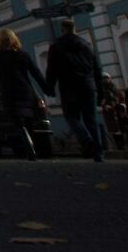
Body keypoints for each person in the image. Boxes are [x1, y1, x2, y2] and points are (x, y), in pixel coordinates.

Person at [43, 19, 106, 162]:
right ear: (74, 28)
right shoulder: (86, 45)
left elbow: (51, 70)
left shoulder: (56, 46)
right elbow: (96, 69)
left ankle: (85, 139)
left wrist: (50, 87)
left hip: (68, 87)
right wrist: (100, 91)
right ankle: (99, 153)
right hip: (88, 86)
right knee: (91, 120)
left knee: (72, 117)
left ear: (63, 29)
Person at [0, 28, 51, 160]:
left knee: (18, 122)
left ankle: (29, 146)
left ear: (0, 40)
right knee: (29, 121)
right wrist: (46, 89)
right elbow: (36, 73)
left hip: (9, 92)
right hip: (26, 91)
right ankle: (32, 146)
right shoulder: (23, 54)